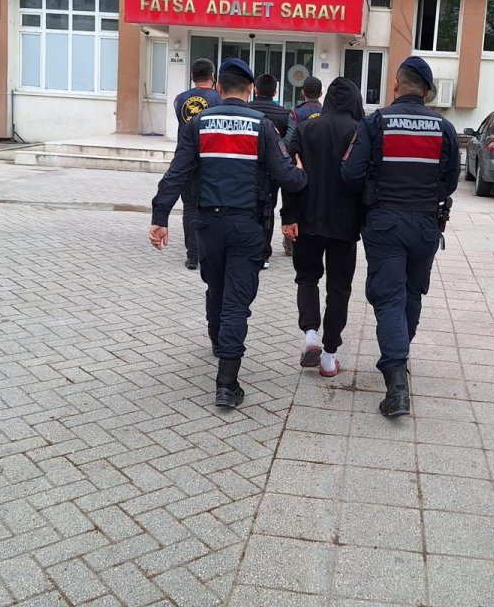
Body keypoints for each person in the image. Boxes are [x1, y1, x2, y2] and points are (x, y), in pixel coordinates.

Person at [149, 58, 306, 408]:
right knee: (237, 301)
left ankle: (218, 340)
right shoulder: (262, 125)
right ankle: (226, 383)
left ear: (219, 88)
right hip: (247, 226)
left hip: (207, 225)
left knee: (216, 287)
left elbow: (177, 172)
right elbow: (288, 178)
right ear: (250, 89)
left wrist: (160, 216)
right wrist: (301, 171)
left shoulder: (198, 123)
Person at [342, 56, 459, 417]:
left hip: (385, 223)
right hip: (426, 224)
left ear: (396, 84)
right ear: (427, 91)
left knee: (389, 297)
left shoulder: (376, 122)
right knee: (411, 292)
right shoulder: (444, 127)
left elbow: (351, 173)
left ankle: (396, 387)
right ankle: (400, 356)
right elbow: (451, 182)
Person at [281, 78, 364, 378]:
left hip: (307, 221)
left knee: (307, 278)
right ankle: (329, 357)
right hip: (345, 224)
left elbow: (289, 174)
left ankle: (310, 336)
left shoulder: (306, 128)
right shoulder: (359, 131)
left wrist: (288, 216)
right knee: (339, 288)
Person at [174, 58, 222, 271]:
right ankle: (208, 252)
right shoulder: (219, 99)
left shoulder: (180, 99)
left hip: (186, 159)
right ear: (213, 76)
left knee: (189, 207)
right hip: (211, 160)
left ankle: (192, 256)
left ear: (192, 76)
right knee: (213, 207)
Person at [247, 74, 294, 270]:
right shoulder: (285, 114)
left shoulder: (246, 110)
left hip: (249, 169)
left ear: (255, 89)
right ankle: (264, 253)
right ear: (275, 92)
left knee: (248, 209)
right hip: (273, 171)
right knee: (268, 209)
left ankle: (249, 250)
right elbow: (289, 141)